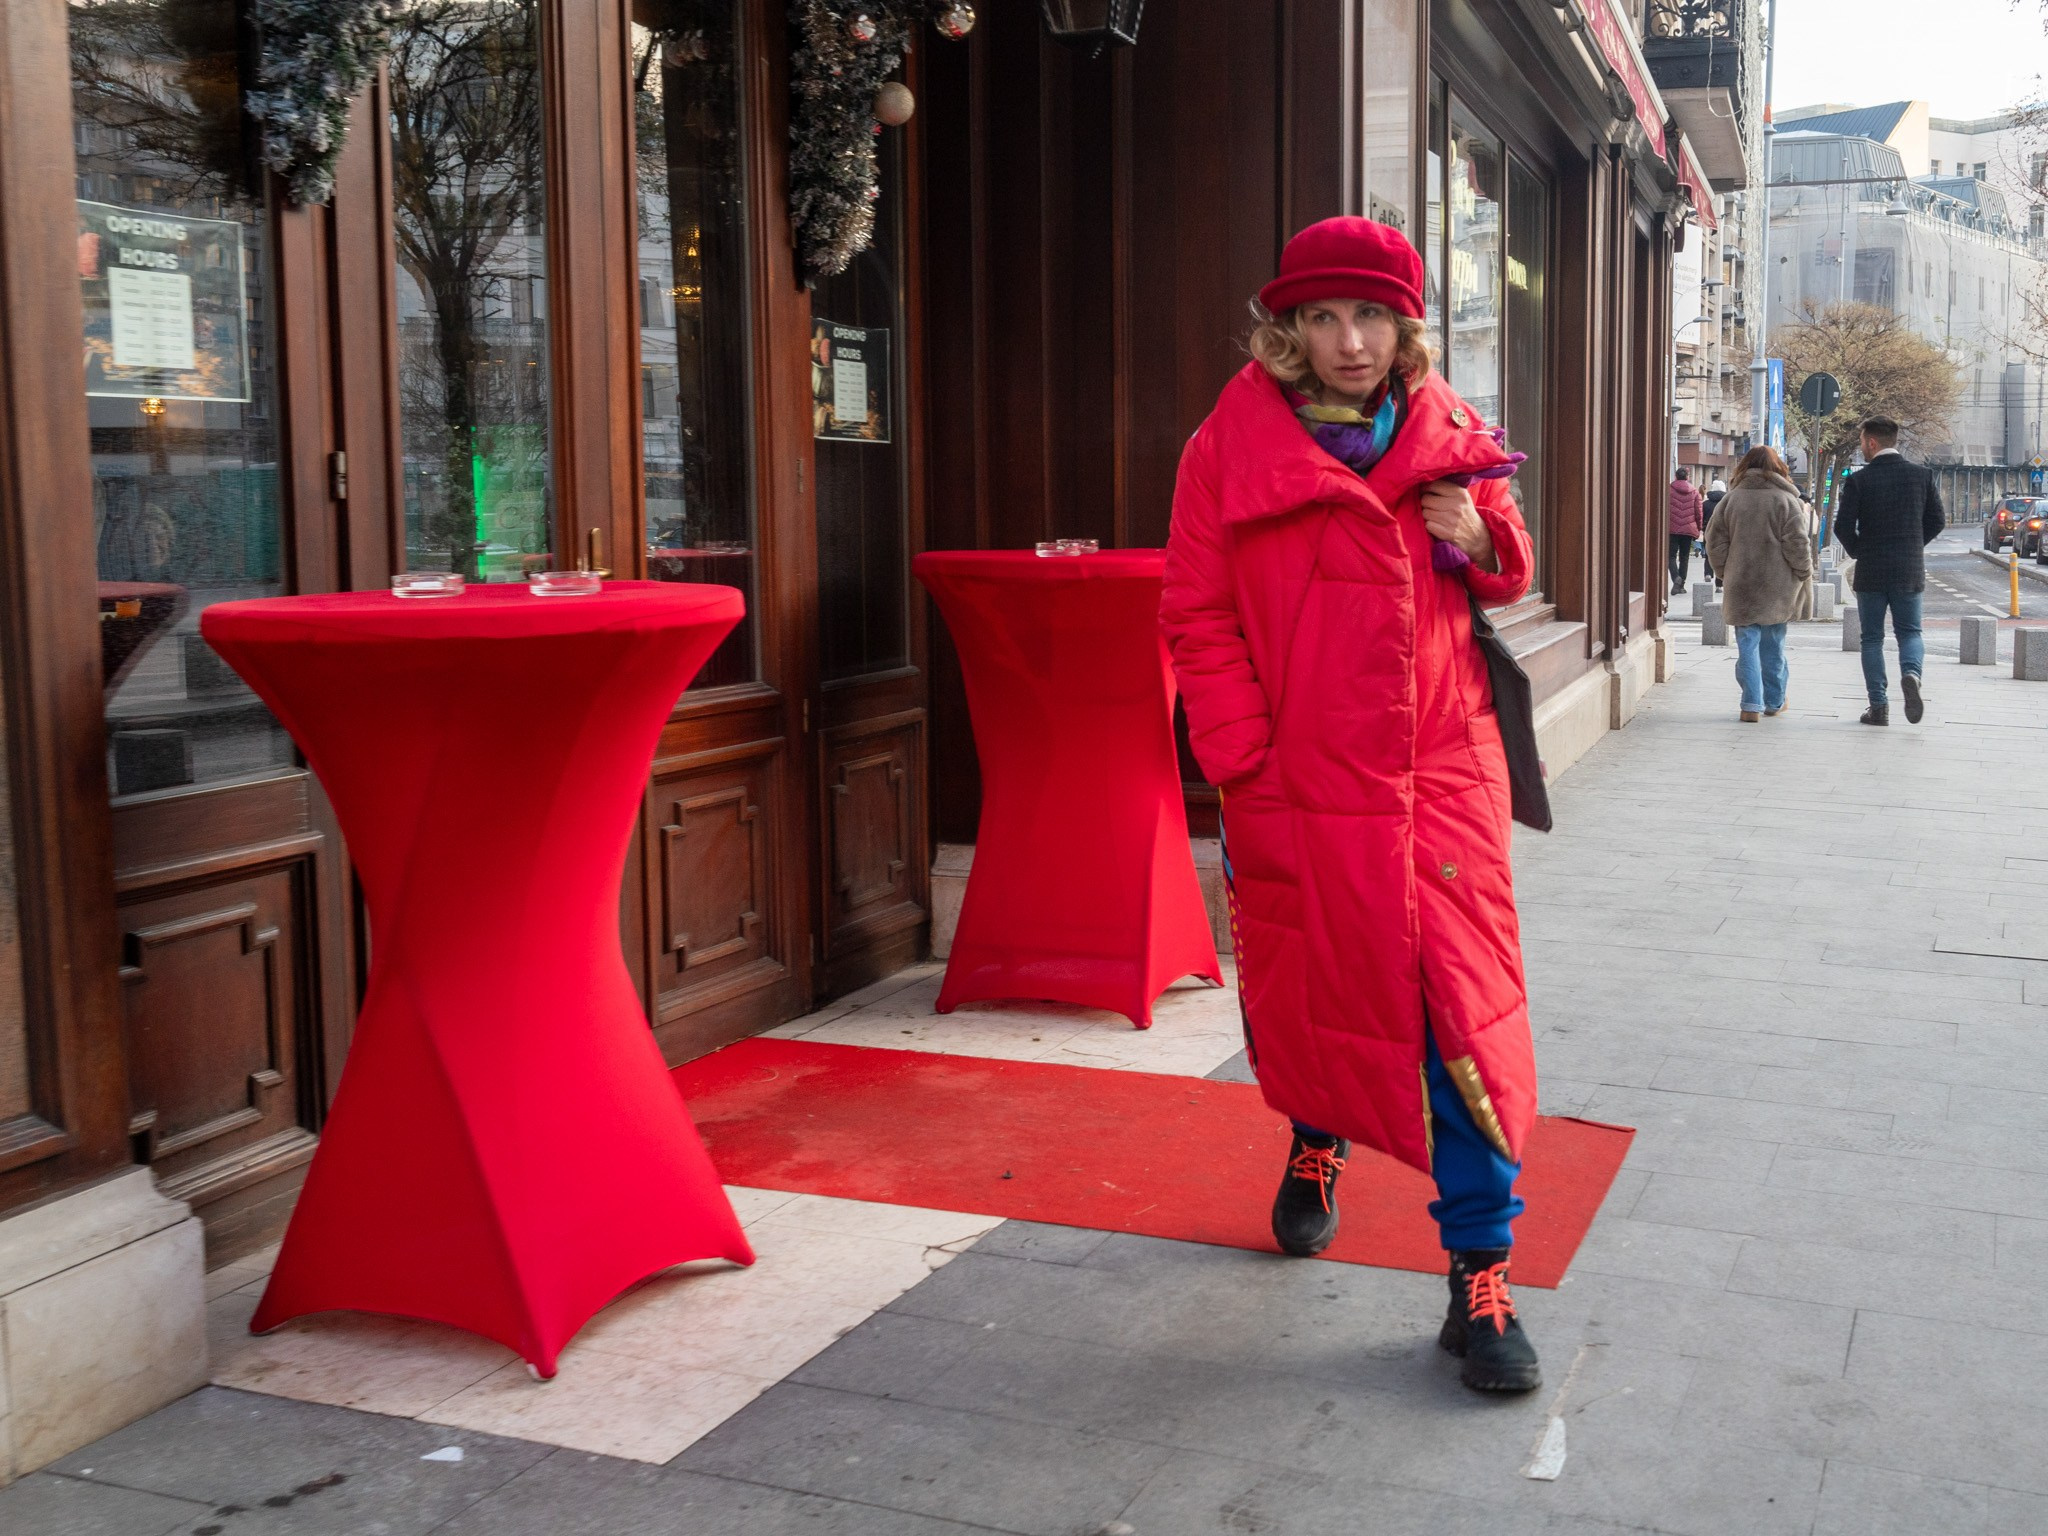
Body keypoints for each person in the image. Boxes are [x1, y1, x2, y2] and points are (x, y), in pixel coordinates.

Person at [1161, 216, 1542, 1394]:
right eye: (1321, 318)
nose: (1347, 341)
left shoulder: (1453, 436)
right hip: (1299, 779)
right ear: (1285, 331)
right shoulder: (1223, 451)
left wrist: (1478, 535)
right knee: (1319, 991)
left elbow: (1514, 566)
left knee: (1460, 1018)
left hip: (1439, 779)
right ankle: (1315, 1140)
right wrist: (1245, 761)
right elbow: (1196, 616)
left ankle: (1479, 1275)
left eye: (1371, 316)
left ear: (1404, 326)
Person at [1834, 414, 1944, 726]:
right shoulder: (1921, 476)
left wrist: (1860, 551)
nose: (1861, 448)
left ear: (1871, 442)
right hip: (1908, 568)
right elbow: (1938, 520)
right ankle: (1911, 673)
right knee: (1910, 631)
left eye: (1861, 443)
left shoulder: (1859, 480)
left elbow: (1843, 526)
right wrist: (1911, 545)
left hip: (1871, 570)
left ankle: (1879, 707)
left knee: (1871, 638)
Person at [1705, 446, 1813, 722]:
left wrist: (1724, 571)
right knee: (1773, 644)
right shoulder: (1786, 501)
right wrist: (1804, 572)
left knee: (1747, 644)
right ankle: (1774, 701)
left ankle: (1750, 704)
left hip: (1741, 582)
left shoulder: (1731, 500)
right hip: (1777, 585)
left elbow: (1714, 542)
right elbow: (1797, 544)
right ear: (1778, 469)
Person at [1667, 468, 1704, 595]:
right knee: (1684, 557)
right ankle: (1681, 585)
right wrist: (1698, 528)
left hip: (1672, 529)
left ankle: (1675, 578)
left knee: (1670, 556)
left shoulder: (1669, 490)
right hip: (1688, 529)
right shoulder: (1694, 492)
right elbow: (1699, 513)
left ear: (1676, 476)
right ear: (1687, 477)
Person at [1700, 476, 1728, 584]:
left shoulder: (1705, 504)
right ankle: (1719, 583)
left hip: (1708, 530)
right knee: (1723, 555)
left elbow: (1701, 517)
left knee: (1708, 553)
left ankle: (1707, 573)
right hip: (1724, 532)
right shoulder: (1726, 503)